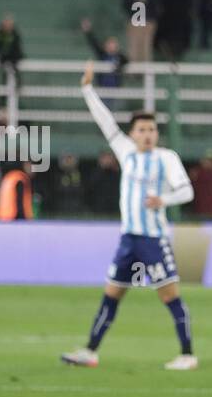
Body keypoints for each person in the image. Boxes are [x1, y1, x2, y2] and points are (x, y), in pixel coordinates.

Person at [61, 62, 197, 371]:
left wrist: (163, 199)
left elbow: (187, 192)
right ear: (133, 134)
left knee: (169, 295)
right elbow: (105, 120)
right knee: (112, 294)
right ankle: (90, 351)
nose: (147, 134)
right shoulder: (125, 151)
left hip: (153, 239)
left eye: (151, 129)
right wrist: (87, 90)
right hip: (128, 240)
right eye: (142, 129)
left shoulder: (167, 158)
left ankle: (188, 354)